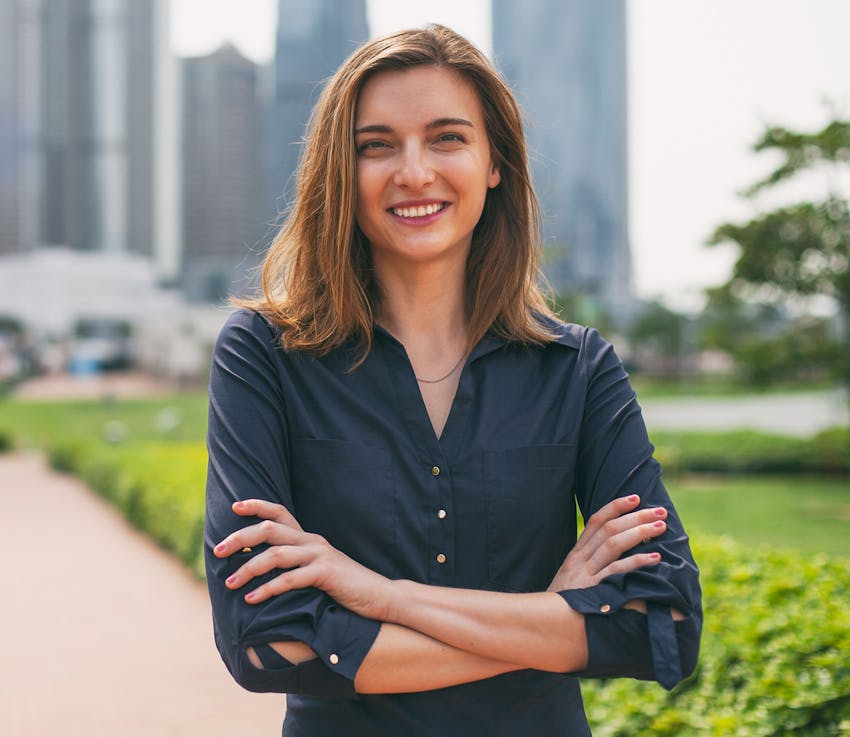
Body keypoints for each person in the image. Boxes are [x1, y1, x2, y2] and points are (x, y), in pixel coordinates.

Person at [204, 24, 701, 736]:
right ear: (340, 171)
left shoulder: (579, 370)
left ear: (494, 161)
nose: (413, 171)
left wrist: (375, 595)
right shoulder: (264, 355)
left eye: (447, 138)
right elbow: (267, 644)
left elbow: (664, 625)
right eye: (377, 144)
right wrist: (547, 621)